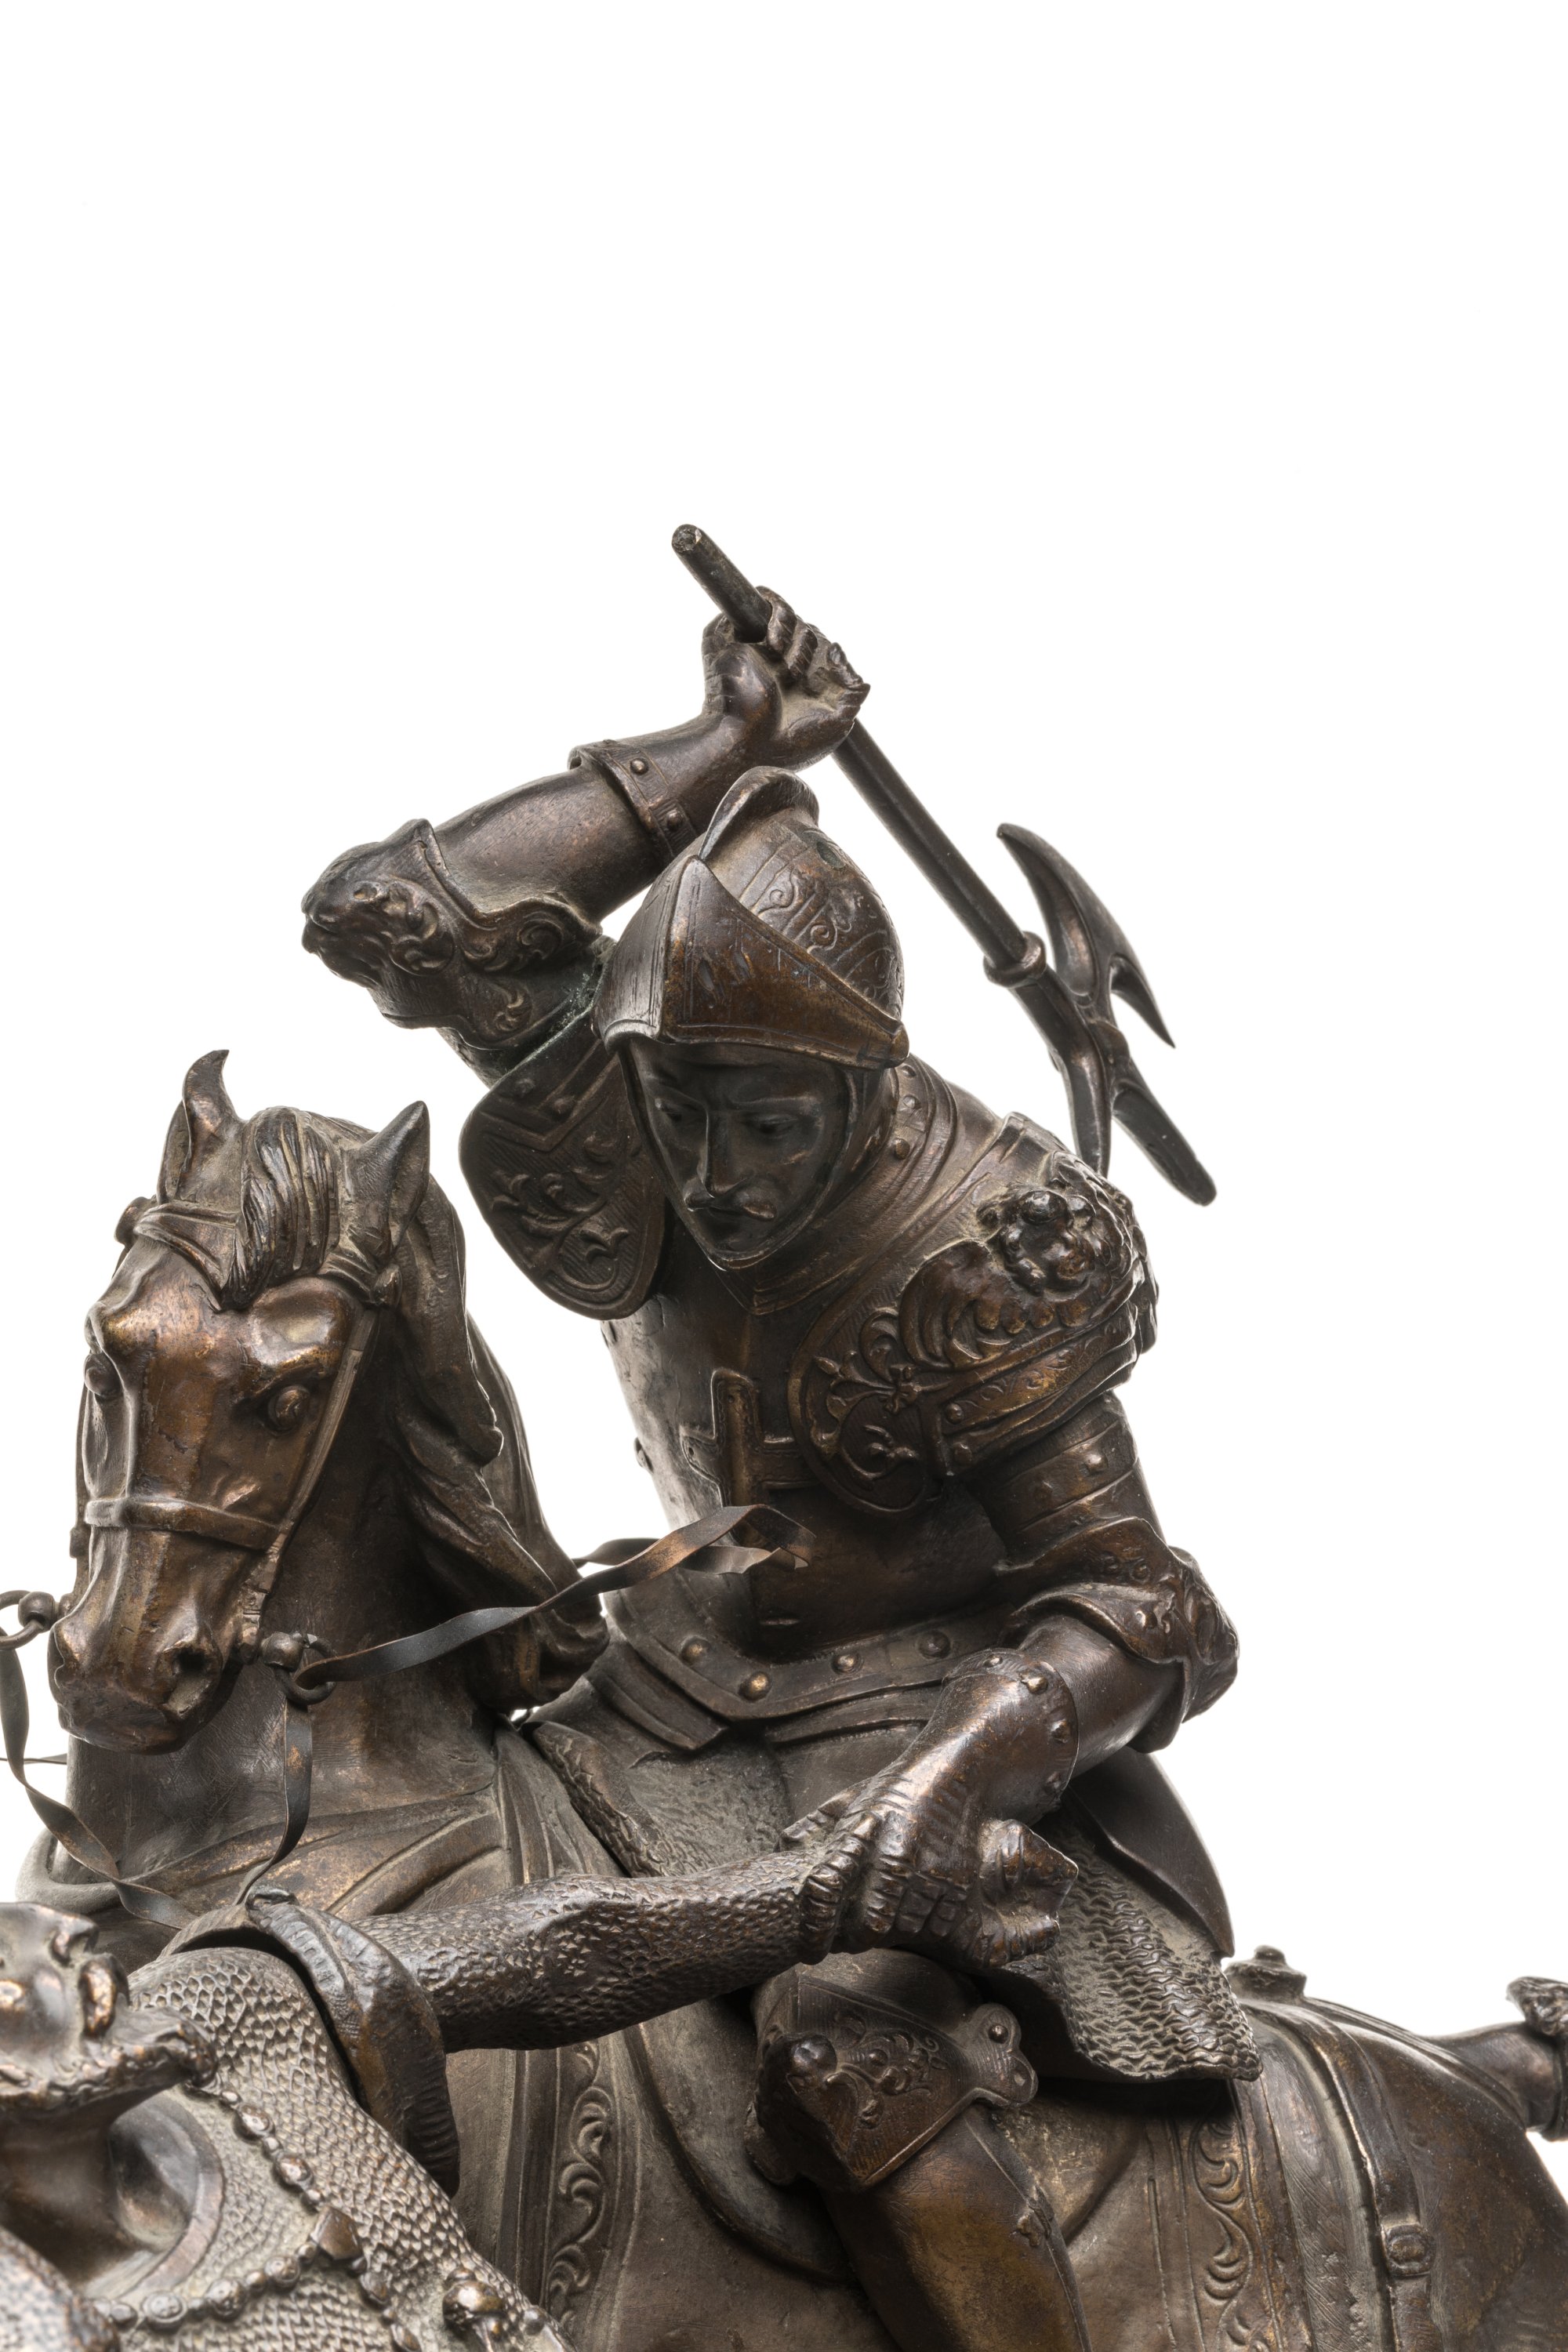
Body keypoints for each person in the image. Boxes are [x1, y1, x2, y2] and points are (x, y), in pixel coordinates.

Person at [302, 597, 1250, 2351]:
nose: (718, 1174)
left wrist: (954, 1778)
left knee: (852, 2069)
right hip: (662, 1682)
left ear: (861, 1088)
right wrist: (726, 744)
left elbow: (1149, 1606)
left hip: (919, 1724)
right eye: (686, 1116)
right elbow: (394, 913)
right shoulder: (640, 1095)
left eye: (769, 1124)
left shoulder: (987, 1246)